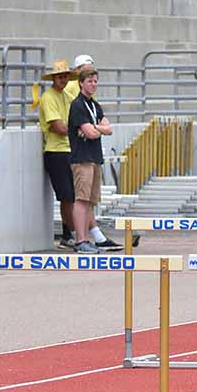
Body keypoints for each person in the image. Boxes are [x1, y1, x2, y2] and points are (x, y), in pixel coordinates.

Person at [67, 68, 122, 253]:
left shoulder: (95, 105)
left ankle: (90, 239)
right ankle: (80, 240)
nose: (93, 84)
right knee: (81, 199)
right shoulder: (78, 105)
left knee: (90, 200)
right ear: (81, 83)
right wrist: (95, 129)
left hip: (94, 157)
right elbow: (90, 134)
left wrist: (94, 127)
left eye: (96, 81)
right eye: (90, 81)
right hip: (82, 158)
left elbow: (108, 128)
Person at [38, 59, 77, 249]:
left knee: (73, 196)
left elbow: (70, 124)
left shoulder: (66, 96)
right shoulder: (48, 97)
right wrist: (79, 129)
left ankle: (71, 234)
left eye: (65, 76)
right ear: (54, 78)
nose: (63, 79)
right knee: (67, 196)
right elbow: (59, 127)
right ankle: (72, 234)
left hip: (68, 150)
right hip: (56, 152)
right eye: (60, 76)